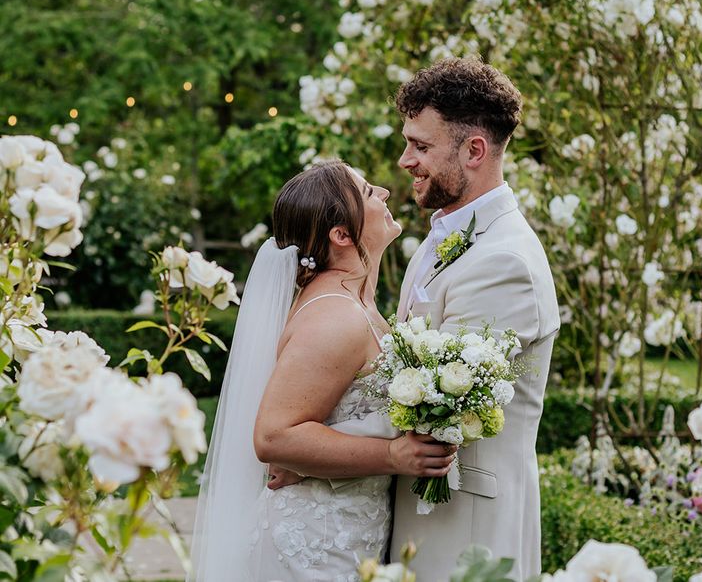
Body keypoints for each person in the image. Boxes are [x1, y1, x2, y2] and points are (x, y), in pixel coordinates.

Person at [188, 160, 456, 581]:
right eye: (368, 192)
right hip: (314, 546)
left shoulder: (354, 304)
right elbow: (275, 435)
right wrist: (391, 455)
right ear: (342, 235)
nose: (384, 192)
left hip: (348, 532)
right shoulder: (335, 317)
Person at [389, 58, 560, 581]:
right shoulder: (444, 237)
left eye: (420, 145)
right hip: (429, 513)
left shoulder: (503, 262)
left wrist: (311, 445)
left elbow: (432, 409)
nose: (404, 160)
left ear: (474, 150)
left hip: (465, 527)